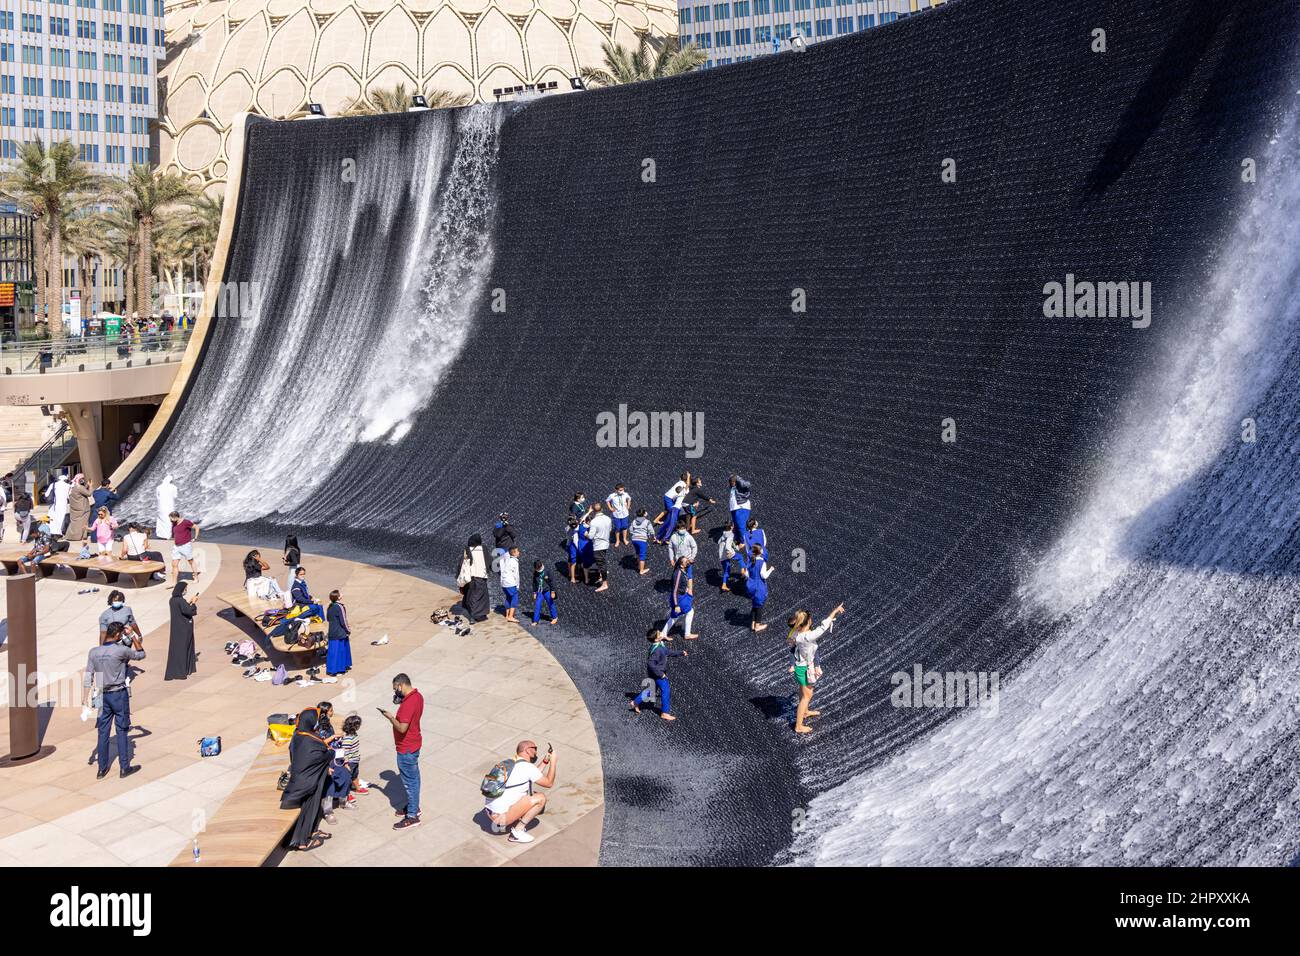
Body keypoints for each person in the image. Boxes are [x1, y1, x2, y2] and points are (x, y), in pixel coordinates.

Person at [82, 621, 145, 779]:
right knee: (121, 730)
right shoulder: (121, 650)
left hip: (101, 694)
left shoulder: (93, 652)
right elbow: (141, 654)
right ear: (118, 635)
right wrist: (132, 635)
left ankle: (102, 769)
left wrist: (84, 697)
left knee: (103, 732)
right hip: (118, 693)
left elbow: (88, 675)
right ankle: (124, 767)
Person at [484, 740, 557, 844]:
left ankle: (513, 817)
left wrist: (545, 761)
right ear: (528, 750)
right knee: (540, 798)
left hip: (490, 812)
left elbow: (532, 774)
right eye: (535, 749)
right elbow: (549, 783)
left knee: (531, 793)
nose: (536, 752)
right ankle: (517, 833)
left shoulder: (508, 763)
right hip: (501, 819)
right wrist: (553, 762)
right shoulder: (527, 768)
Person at [787, 604, 846, 734]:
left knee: (803, 692)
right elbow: (823, 627)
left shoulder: (797, 633)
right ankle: (798, 726)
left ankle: (805, 711)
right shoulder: (808, 636)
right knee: (807, 696)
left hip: (799, 667)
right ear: (808, 622)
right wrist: (834, 612)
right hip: (804, 669)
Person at [280, 708, 331, 851]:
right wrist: (331, 753)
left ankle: (312, 830)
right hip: (308, 782)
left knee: (312, 808)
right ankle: (301, 842)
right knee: (308, 809)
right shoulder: (309, 741)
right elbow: (319, 758)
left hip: (304, 779)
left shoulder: (299, 735)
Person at [379, 674, 424, 830]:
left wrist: (390, 717)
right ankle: (414, 806)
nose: (395, 692)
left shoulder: (407, 704)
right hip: (414, 743)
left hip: (406, 748)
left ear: (400, 685)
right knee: (415, 778)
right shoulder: (418, 696)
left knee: (410, 783)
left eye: (395, 688)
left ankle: (412, 816)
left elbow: (402, 728)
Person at [629, 628, 686, 721]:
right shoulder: (658, 650)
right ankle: (665, 713)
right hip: (658, 674)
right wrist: (661, 674)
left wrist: (680, 653)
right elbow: (650, 663)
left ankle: (635, 702)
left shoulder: (658, 646)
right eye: (659, 634)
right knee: (665, 691)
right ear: (656, 639)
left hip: (653, 673)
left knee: (651, 691)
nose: (661, 634)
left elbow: (668, 652)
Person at [164, 580, 198, 680]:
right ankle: (182, 670)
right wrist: (194, 603)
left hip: (177, 629)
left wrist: (189, 602)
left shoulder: (173, 600)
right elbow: (189, 611)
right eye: (185, 589)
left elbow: (182, 608)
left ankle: (182, 669)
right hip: (184, 629)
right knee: (184, 648)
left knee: (178, 649)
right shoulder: (180, 600)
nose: (186, 591)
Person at [662, 557, 699, 640]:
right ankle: (687, 634)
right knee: (690, 611)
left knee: (675, 616)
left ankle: (663, 634)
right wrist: (676, 605)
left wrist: (690, 562)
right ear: (682, 565)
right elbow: (675, 590)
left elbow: (689, 564)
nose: (688, 562)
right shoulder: (678, 574)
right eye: (686, 561)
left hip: (680, 597)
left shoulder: (682, 569)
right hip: (679, 599)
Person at [456, 534, 490, 622]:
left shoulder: (468, 549)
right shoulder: (484, 548)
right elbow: (489, 561)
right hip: (481, 576)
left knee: (471, 595)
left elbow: (461, 564)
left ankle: (472, 613)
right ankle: (475, 616)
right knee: (480, 597)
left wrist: (458, 576)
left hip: (470, 577)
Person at [741, 544, 773, 632]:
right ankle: (757, 626)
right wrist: (770, 569)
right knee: (759, 606)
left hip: (751, 586)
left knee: (755, 604)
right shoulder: (762, 562)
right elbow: (764, 575)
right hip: (759, 587)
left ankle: (753, 623)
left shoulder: (750, 561)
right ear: (760, 551)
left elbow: (747, 574)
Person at [654, 472, 691, 543]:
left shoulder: (680, 485)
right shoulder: (685, 489)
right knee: (672, 523)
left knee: (667, 522)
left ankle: (657, 538)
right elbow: (687, 486)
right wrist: (689, 477)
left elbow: (686, 485)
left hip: (674, 507)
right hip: (676, 508)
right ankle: (666, 538)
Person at [585, 501, 612, 592]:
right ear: (602, 509)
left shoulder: (594, 522)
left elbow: (591, 536)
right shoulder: (608, 518)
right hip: (606, 543)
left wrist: (586, 535)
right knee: (602, 562)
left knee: (601, 564)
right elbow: (610, 529)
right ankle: (602, 576)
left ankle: (604, 584)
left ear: (593, 511)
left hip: (598, 545)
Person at [325, 590, 353, 676]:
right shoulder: (340, 607)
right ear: (338, 597)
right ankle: (340, 669)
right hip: (340, 632)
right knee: (341, 651)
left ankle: (331, 670)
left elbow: (328, 619)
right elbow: (343, 621)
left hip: (332, 631)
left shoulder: (330, 606)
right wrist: (348, 630)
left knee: (333, 652)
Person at [169, 511, 200, 580]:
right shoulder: (174, 523)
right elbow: (175, 534)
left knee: (191, 561)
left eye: (171, 518)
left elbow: (196, 527)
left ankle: (196, 577)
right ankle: (174, 582)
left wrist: (195, 538)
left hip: (185, 545)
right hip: (176, 547)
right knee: (174, 564)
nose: (170, 520)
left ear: (176, 517)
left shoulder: (186, 522)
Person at [65, 474, 93, 541]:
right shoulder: (79, 487)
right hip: (82, 508)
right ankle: (81, 536)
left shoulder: (72, 487)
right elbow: (89, 494)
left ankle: (70, 535)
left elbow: (82, 491)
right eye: (82, 478)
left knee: (74, 522)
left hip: (74, 508)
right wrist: (91, 486)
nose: (83, 480)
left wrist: (87, 486)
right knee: (83, 522)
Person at [531, 560, 558, 625]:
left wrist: (553, 591)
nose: (539, 570)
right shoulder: (535, 572)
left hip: (547, 591)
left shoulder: (547, 571)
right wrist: (534, 592)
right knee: (537, 605)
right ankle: (535, 620)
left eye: (539, 569)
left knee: (550, 604)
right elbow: (534, 583)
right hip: (539, 591)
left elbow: (552, 582)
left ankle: (554, 617)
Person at [718, 526, 744, 592]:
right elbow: (728, 546)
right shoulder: (730, 535)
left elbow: (720, 542)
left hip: (722, 556)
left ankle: (724, 585)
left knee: (727, 571)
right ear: (731, 527)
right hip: (728, 554)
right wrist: (730, 552)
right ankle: (743, 571)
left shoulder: (722, 536)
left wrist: (736, 547)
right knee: (740, 557)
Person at [499, 545, 521, 622]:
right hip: (510, 583)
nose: (519, 552)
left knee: (508, 597)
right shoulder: (514, 561)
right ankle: (511, 616)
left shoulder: (507, 560)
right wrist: (517, 585)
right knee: (514, 597)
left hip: (503, 582)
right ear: (514, 553)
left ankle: (507, 615)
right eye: (518, 551)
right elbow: (516, 575)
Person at [606, 483, 632, 547]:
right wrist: (610, 508)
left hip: (625, 514)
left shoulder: (625, 494)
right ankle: (617, 540)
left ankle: (624, 539)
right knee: (617, 528)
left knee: (625, 527)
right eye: (620, 490)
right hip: (616, 515)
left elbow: (629, 499)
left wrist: (628, 506)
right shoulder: (612, 496)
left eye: (622, 490)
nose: (621, 491)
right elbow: (607, 501)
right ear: (616, 490)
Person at [729, 475, 752, 546]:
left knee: (740, 525)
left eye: (732, 482)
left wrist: (738, 479)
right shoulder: (734, 487)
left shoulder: (741, 485)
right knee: (736, 524)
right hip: (735, 508)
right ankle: (738, 538)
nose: (730, 483)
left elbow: (748, 485)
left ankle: (743, 541)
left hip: (741, 508)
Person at [629, 508, 653, 575]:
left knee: (637, 552)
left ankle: (639, 565)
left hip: (634, 539)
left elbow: (631, 530)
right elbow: (651, 531)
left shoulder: (634, 521)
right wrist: (652, 536)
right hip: (642, 540)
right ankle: (641, 570)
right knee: (642, 555)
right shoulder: (647, 522)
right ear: (644, 514)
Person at [154, 474, 178, 539]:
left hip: (161, 507)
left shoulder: (158, 487)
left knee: (161, 520)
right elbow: (175, 496)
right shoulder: (174, 487)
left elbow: (157, 497)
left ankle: (161, 535)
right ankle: (168, 535)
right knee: (169, 520)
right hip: (170, 506)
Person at [564, 516, 582, 583]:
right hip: (571, 545)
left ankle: (570, 573)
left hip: (568, 544)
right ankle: (572, 575)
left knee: (570, 560)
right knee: (571, 560)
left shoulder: (567, 527)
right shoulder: (572, 529)